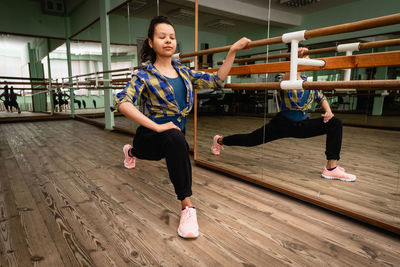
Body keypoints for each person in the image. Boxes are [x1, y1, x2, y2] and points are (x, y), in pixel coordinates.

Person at [113, 16, 250, 239]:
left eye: (172, 37)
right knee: (161, 143)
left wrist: (233, 50)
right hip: (150, 134)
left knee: (176, 140)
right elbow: (122, 102)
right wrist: (156, 127)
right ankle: (132, 151)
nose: (168, 41)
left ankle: (187, 208)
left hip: (174, 136)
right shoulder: (143, 75)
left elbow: (217, 81)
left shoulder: (185, 73)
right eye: (161, 37)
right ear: (150, 42)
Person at [211, 45, 356, 182]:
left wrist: (328, 111)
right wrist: (296, 59)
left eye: (307, 56)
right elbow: (288, 79)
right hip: (282, 124)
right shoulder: (282, 76)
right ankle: (219, 141)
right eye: (304, 56)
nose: (306, 58)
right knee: (251, 140)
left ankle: (331, 167)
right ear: (294, 59)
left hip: (302, 125)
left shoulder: (307, 82)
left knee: (335, 123)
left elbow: (321, 97)